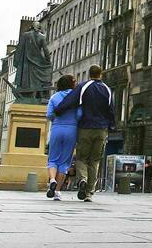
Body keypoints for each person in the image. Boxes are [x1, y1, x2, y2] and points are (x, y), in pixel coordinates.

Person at [52, 64, 115, 202]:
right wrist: (111, 126)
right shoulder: (107, 89)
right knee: (95, 161)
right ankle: (89, 194)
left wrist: (58, 110)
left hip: (85, 128)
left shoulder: (83, 86)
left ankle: (82, 180)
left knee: (81, 158)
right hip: (101, 130)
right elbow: (111, 110)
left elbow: (70, 100)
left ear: (89, 74)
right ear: (101, 74)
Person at [46, 74, 80, 201]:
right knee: (64, 162)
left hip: (57, 128)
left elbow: (49, 115)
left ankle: (52, 180)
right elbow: (80, 114)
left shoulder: (54, 97)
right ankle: (58, 191)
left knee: (53, 159)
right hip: (71, 129)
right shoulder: (76, 98)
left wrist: (57, 119)